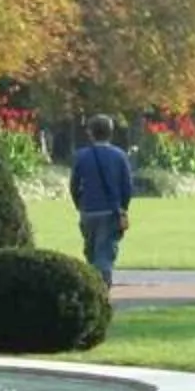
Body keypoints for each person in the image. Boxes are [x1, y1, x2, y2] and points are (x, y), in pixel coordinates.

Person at [69, 112, 135, 284]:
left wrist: (79, 204)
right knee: (105, 252)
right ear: (111, 132)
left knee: (91, 251)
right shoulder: (119, 156)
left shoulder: (81, 156)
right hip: (111, 210)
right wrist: (123, 208)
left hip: (88, 209)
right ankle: (103, 285)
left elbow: (74, 185)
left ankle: (93, 282)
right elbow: (127, 186)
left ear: (91, 132)